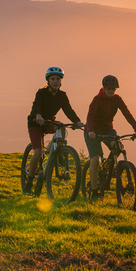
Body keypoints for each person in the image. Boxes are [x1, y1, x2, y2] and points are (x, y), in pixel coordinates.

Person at [24, 66, 84, 194]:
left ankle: (59, 151)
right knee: (38, 150)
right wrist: (38, 115)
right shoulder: (41, 93)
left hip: (48, 122)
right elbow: (36, 106)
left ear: (61, 81)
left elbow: (68, 110)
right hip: (35, 123)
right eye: (53, 79)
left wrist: (77, 122)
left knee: (61, 126)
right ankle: (29, 182)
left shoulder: (62, 95)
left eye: (57, 79)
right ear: (48, 80)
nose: (55, 81)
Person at [84, 75, 136, 198]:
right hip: (92, 131)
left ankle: (106, 168)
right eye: (109, 88)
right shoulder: (97, 100)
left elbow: (127, 113)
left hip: (107, 130)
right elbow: (90, 117)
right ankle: (94, 191)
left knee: (118, 147)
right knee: (95, 160)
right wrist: (90, 131)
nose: (111, 91)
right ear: (104, 88)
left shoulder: (117, 99)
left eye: (114, 89)